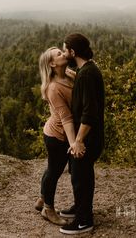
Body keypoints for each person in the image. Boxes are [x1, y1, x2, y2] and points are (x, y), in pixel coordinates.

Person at [59, 33, 105, 235]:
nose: (62, 53)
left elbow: (90, 112)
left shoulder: (86, 75)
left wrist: (78, 140)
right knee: (80, 174)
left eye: (64, 50)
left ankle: (84, 220)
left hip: (87, 138)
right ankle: (80, 208)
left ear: (73, 52)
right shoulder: (87, 70)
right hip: (91, 137)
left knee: (81, 177)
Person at [35, 47, 78, 225]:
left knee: (53, 168)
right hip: (57, 136)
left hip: (62, 133)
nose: (64, 54)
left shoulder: (70, 75)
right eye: (59, 54)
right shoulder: (53, 88)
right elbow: (66, 118)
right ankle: (48, 210)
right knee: (54, 171)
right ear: (52, 64)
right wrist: (74, 143)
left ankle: (42, 199)